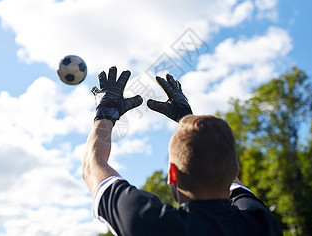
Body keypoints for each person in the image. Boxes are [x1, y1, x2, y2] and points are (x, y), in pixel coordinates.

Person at [82, 66, 283, 236]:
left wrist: (105, 112)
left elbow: (93, 166)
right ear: (235, 172)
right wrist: (188, 120)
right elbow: (226, 173)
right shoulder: (262, 224)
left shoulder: (147, 222)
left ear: (172, 174)